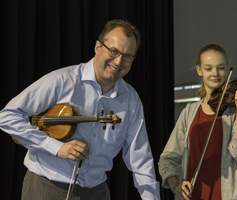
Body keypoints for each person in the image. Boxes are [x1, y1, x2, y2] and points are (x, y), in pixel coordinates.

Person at [0, 19, 160, 200]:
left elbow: (140, 158)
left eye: (127, 56)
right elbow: (7, 116)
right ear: (98, 47)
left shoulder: (131, 99)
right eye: (113, 51)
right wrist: (55, 148)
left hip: (97, 192)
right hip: (46, 187)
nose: (119, 61)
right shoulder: (62, 80)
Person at [158, 44, 237, 200]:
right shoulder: (189, 112)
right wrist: (174, 182)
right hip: (194, 195)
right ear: (199, 70)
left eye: (221, 68)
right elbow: (167, 158)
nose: (215, 73)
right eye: (208, 68)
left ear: (228, 68)